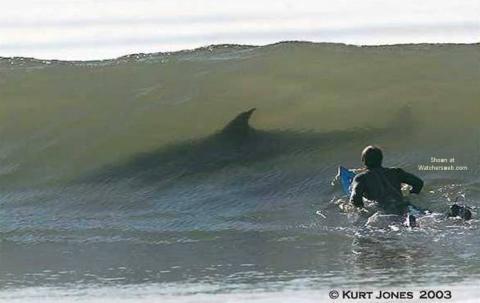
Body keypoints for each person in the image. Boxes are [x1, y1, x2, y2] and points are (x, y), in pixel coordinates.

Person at [349, 146, 423, 219]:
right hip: (403, 205)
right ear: (381, 159)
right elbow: (418, 183)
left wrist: (364, 212)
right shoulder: (396, 172)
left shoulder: (361, 178)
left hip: (385, 211)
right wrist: (410, 195)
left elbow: (355, 200)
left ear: (363, 160)